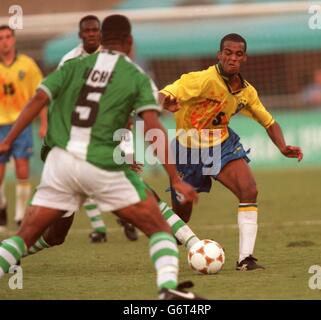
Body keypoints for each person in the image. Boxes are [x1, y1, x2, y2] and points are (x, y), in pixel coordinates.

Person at [0, 15, 203, 300]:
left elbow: (38, 99)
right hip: (100, 163)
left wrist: (7, 140)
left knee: (24, 237)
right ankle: (167, 289)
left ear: (102, 39)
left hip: (60, 162)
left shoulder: (73, 64)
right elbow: (153, 128)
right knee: (158, 226)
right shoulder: (135, 75)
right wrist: (174, 177)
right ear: (130, 42)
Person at [159, 33, 303, 271]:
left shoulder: (247, 92)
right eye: (228, 53)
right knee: (182, 215)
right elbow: (167, 93)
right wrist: (162, 101)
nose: (232, 58)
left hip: (222, 144)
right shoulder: (202, 79)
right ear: (220, 55)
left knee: (249, 189)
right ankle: (171, 236)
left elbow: (269, 121)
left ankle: (245, 259)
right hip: (188, 149)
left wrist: (283, 146)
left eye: (238, 54)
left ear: (244, 58)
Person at [56, 14, 138, 243]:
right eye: (87, 31)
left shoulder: (114, 58)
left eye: (95, 30)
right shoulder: (69, 61)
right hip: (80, 129)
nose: (92, 34)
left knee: (124, 175)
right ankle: (100, 227)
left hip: (114, 125)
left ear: (101, 33)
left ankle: (127, 216)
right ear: (80, 34)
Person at [0, 25, 47, 231]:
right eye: (1, 38)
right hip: (0, 124)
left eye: (8, 37)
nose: (5, 41)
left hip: (22, 124)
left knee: (22, 169)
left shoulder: (27, 65)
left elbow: (41, 94)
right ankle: (2, 205)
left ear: (14, 39)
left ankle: (20, 215)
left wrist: (44, 122)